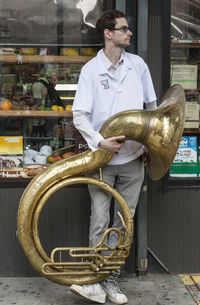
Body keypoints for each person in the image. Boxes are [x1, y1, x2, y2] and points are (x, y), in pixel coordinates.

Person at [70, 10, 157, 304]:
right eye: (123, 29)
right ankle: (93, 282)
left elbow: (152, 109)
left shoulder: (138, 65)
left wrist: (149, 144)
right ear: (108, 33)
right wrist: (99, 141)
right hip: (102, 162)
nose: (129, 33)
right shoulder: (90, 71)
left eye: (128, 29)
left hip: (133, 160)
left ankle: (110, 281)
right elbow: (79, 114)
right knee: (98, 221)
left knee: (123, 224)